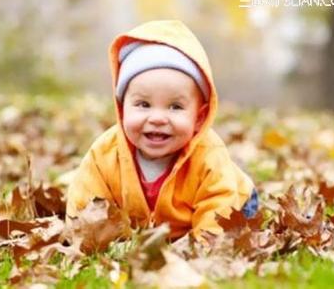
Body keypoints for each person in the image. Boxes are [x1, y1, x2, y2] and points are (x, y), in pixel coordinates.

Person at [66, 20, 258, 240]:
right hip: (152, 228)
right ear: (122, 108)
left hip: (235, 205)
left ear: (199, 117)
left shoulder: (209, 155)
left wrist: (204, 247)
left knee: (237, 228)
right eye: (143, 105)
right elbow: (85, 199)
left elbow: (219, 205)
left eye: (175, 107)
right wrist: (86, 238)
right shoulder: (104, 154)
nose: (157, 118)